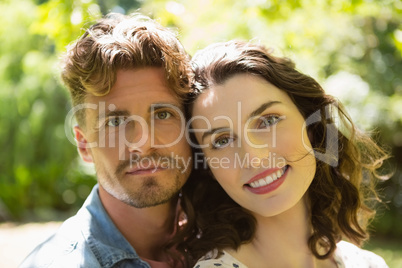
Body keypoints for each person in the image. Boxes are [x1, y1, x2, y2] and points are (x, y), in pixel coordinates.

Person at [179, 40, 390, 267]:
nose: (254, 157)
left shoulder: (367, 263)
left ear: (311, 125)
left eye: (268, 121)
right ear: (208, 168)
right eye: (221, 141)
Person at [21, 13, 194, 268]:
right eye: (115, 122)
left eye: (163, 114)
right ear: (84, 145)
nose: (143, 143)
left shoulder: (232, 239)